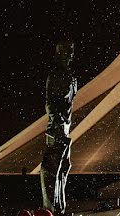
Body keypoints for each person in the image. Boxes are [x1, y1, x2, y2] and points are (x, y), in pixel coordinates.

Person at [40, 41, 78, 215]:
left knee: (63, 167)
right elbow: (50, 103)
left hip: (65, 127)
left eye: (71, 51)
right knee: (52, 169)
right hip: (57, 127)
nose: (70, 54)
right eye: (67, 51)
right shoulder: (56, 75)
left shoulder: (68, 75)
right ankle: (50, 208)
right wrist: (58, 122)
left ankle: (60, 207)